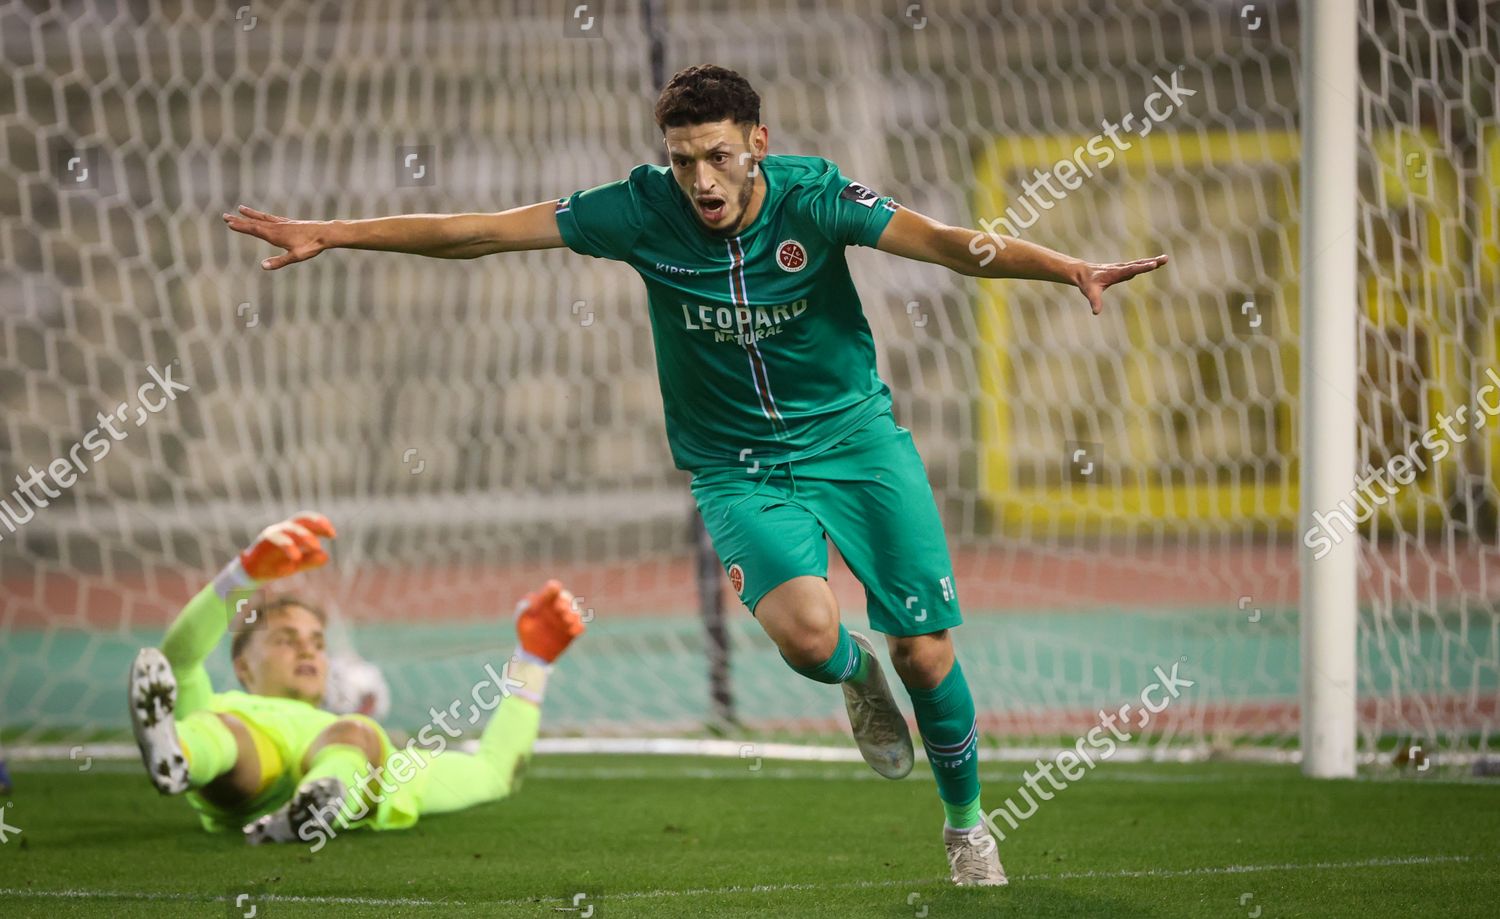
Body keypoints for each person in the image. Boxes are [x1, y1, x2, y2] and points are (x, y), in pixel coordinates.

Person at [222, 64, 1166, 883]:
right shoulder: (637, 210)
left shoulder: (817, 196)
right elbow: (481, 232)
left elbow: (958, 247)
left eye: (718, 156)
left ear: (759, 142)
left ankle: (966, 825)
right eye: (684, 160)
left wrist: (1067, 267)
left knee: (928, 651)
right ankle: (852, 676)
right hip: (735, 465)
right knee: (807, 637)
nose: (701, 181)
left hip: (856, 441)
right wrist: (334, 233)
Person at [128, 511, 583, 844]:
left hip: (341, 757)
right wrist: (243, 576)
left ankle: (315, 800)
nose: (308, 648)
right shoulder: (231, 705)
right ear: (243, 665)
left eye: (318, 642)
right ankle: (181, 757)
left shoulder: (357, 740)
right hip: (243, 777)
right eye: (286, 639)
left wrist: (534, 661)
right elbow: (177, 662)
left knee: (356, 736)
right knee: (224, 729)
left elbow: (492, 772)